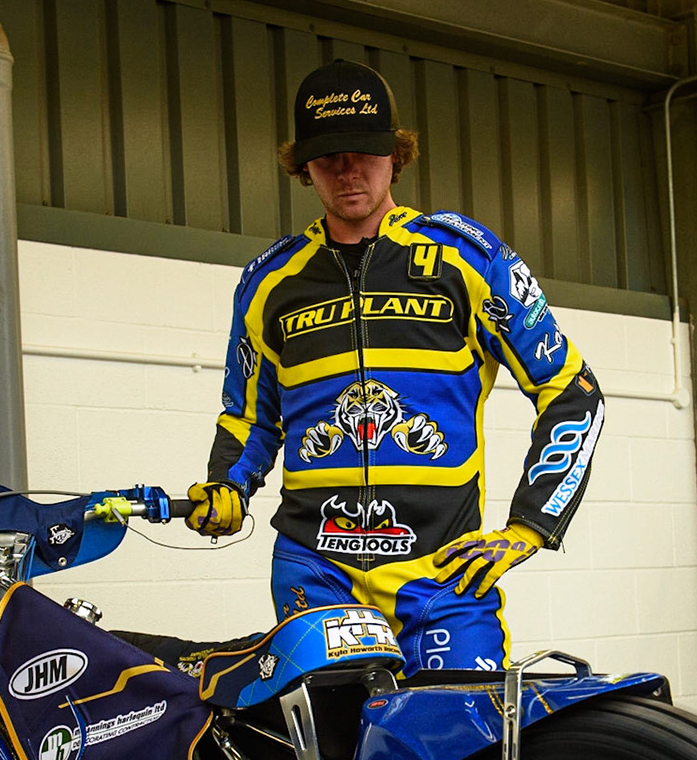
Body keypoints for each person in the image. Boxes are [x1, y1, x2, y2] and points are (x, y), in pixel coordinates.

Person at [183, 59, 604, 673]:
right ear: (304, 167)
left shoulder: (468, 259)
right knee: (332, 757)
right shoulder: (267, 281)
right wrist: (228, 484)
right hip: (316, 570)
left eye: (365, 152)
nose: (347, 170)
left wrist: (529, 526)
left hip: (443, 575)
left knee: (459, 755)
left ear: (396, 155)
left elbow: (572, 393)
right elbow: (249, 417)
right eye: (328, 157)